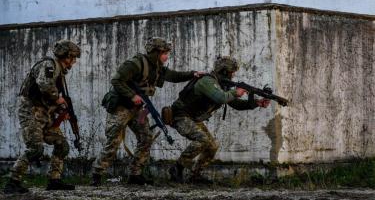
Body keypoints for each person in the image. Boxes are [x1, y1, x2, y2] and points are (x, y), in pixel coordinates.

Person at [91, 37, 203, 186]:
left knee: (146, 138)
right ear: (155, 52)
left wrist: (192, 74)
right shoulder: (135, 64)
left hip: (137, 109)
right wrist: (132, 95)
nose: (167, 56)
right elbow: (116, 81)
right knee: (114, 141)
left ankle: (135, 174)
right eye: (164, 53)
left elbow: (173, 76)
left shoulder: (156, 67)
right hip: (121, 106)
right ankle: (96, 175)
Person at [168, 56, 271, 184]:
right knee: (202, 139)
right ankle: (177, 168)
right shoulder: (207, 81)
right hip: (180, 115)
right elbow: (220, 98)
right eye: (232, 72)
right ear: (224, 71)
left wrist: (257, 102)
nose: (233, 75)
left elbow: (236, 104)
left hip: (193, 118)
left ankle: (196, 175)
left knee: (212, 146)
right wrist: (235, 92)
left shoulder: (222, 85)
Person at [3, 40, 81, 194]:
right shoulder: (49, 65)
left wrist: (60, 110)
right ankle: (12, 182)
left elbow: (47, 97)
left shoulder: (58, 70)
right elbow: (44, 85)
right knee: (35, 149)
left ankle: (54, 180)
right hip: (32, 112)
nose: (74, 61)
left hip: (45, 115)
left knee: (62, 145)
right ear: (66, 55)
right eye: (73, 57)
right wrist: (57, 99)